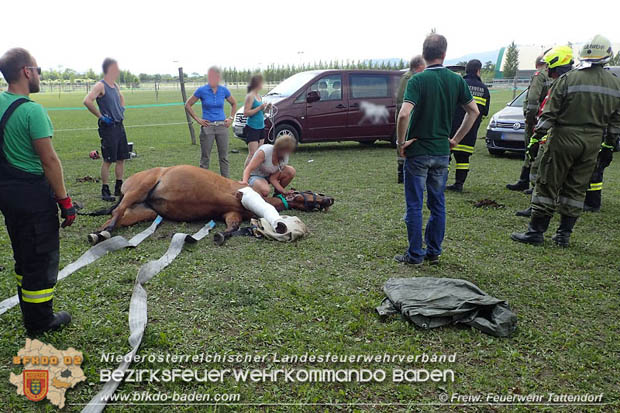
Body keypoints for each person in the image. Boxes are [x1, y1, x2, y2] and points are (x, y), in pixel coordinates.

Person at [511, 35, 620, 247]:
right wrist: (608, 145)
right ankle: (563, 235)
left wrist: (535, 139)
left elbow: (549, 114)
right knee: (577, 188)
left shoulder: (568, 79)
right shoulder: (615, 85)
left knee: (547, 183)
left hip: (563, 138)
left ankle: (535, 232)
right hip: (592, 143)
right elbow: (616, 122)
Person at [0, 48, 75, 333]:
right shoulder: (32, 111)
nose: (40, 75)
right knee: (41, 257)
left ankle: (28, 309)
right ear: (27, 72)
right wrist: (65, 201)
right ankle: (40, 320)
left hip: (7, 194)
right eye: (38, 69)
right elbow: (49, 160)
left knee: (23, 251)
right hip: (32, 195)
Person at [394, 34, 479, 266]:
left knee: (414, 204)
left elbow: (403, 113)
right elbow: (474, 111)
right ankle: (433, 251)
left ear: (424, 53)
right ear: (444, 53)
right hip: (442, 151)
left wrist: (401, 144)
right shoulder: (456, 80)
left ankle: (414, 255)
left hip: (418, 151)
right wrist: (455, 139)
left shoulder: (417, 80)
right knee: (437, 203)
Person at [514, 46, 574, 218]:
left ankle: (536, 207)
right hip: (566, 134)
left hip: (548, 129)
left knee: (538, 164)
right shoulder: (570, 81)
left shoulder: (550, 80)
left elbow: (536, 102)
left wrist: (532, 123)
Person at [83, 58, 129, 202]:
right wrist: (101, 116)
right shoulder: (100, 86)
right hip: (108, 128)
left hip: (119, 126)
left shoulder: (115, 85)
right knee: (108, 159)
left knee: (121, 158)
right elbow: (87, 101)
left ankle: (119, 187)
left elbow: (121, 97)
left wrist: (122, 108)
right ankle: (105, 189)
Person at [506, 55, 550, 192]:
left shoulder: (539, 76)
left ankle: (528, 181)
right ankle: (526, 180)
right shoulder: (557, 76)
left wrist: (530, 120)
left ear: (537, 64)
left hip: (536, 120)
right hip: (548, 120)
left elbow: (533, 100)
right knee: (542, 151)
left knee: (531, 150)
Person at [446, 59, 491, 192]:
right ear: (478, 70)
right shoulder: (484, 89)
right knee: (463, 158)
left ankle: (440, 181)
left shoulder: (459, 84)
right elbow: (484, 112)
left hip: (452, 127)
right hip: (470, 129)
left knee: (446, 155)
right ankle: (459, 184)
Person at [185, 66, 237, 177]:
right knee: (205, 157)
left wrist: (231, 118)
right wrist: (198, 119)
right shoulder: (201, 90)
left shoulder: (224, 90)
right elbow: (188, 104)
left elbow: (234, 103)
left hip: (222, 126)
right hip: (207, 127)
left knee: (224, 157)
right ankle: (204, 183)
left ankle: (226, 181)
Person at [395, 55, 426, 183]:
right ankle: (405, 173)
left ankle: (401, 172)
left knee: (401, 141)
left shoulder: (405, 76)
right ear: (419, 66)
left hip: (402, 112)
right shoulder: (413, 78)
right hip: (409, 113)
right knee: (408, 142)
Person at [243, 74, 271, 167]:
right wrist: (259, 107)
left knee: (259, 153)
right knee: (252, 154)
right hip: (252, 127)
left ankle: (254, 173)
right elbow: (246, 113)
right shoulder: (250, 96)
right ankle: (245, 177)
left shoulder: (259, 96)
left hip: (261, 127)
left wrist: (267, 108)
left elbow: (261, 113)